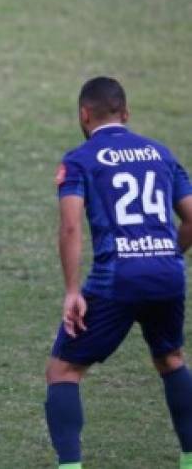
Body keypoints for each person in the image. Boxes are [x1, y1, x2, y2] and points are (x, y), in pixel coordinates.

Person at [45, 77, 192, 468]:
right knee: (171, 358)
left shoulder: (80, 159)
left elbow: (71, 227)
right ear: (125, 114)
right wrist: (167, 253)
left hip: (117, 278)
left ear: (84, 115)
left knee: (63, 369)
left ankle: (71, 466)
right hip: (168, 275)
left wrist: (72, 289)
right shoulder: (162, 154)